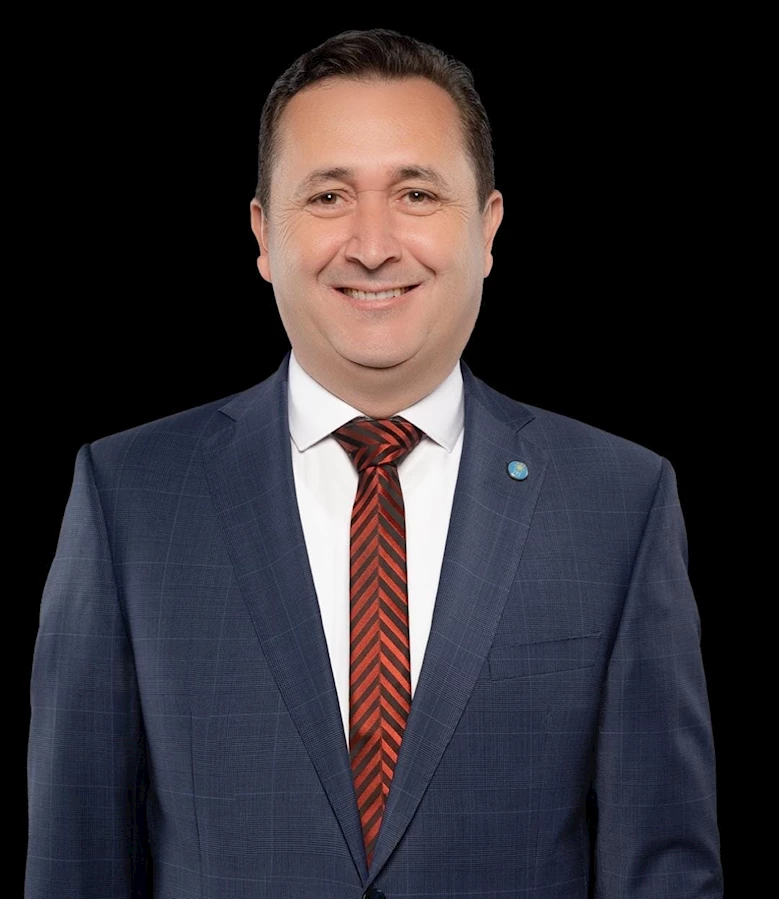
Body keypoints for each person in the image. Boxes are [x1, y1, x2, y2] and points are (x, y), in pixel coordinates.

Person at [26, 28, 723, 899]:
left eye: (416, 193)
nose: (371, 243)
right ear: (263, 234)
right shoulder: (128, 497)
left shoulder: (619, 501)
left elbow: (662, 873)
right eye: (327, 196)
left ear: (487, 227)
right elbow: (75, 863)